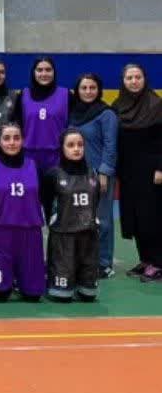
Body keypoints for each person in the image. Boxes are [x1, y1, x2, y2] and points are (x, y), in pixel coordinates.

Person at [0, 123, 46, 302]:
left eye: (16, 138)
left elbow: (43, 198)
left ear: (23, 140)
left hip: (30, 233)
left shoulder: (35, 167)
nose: (12, 142)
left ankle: (24, 279)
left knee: (33, 295)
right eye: (6, 138)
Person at [113, 64, 162, 283]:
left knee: (152, 216)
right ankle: (145, 259)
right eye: (129, 78)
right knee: (135, 217)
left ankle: (158, 263)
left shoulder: (156, 105)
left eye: (138, 77)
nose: (134, 81)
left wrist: (160, 168)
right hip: (128, 170)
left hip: (151, 171)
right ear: (123, 81)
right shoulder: (118, 106)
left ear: (145, 79)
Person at [42, 129, 101, 302]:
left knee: (88, 295)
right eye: (71, 145)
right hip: (63, 237)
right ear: (62, 148)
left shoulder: (93, 174)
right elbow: (46, 203)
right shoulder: (53, 175)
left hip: (88, 236)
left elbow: (96, 200)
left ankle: (84, 284)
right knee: (62, 295)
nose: (76, 149)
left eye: (80, 145)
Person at [69, 73, 118, 279]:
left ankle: (104, 263)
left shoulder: (107, 114)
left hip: (99, 175)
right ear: (77, 90)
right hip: (76, 175)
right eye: (84, 88)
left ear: (99, 90)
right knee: (78, 220)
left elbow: (111, 145)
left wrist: (105, 172)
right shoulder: (72, 113)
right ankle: (83, 260)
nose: (88, 92)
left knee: (102, 220)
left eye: (92, 88)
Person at [15, 57, 68, 220]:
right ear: (33, 73)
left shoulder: (66, 95)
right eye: (40, 70)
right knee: (29, 204)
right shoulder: (23, 95)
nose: (44, 73)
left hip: (57, 158)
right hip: (29, 157)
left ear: (54, 72)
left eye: (48, 70)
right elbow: (17, 126)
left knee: (57, 207)